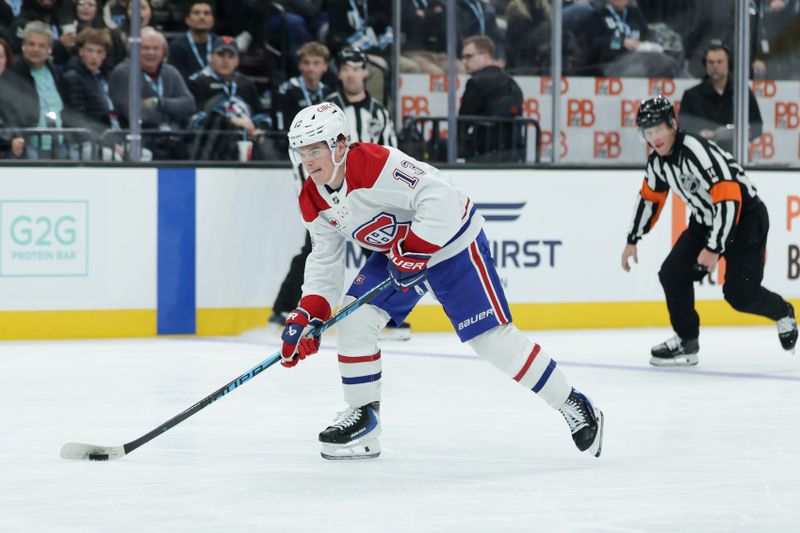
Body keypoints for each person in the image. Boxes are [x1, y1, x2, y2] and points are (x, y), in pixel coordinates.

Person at [280, 102, 604, 460]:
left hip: (450, 244)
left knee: (491, 340)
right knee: (355, 319)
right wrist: (308, 315)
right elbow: (324, 259)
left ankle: (572, 403)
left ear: (340, 145)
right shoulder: (312, 198)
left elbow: (443, 198)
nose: (308, 161)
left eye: (315, 150)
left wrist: (416, 249)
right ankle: (364, 418)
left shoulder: (375, 164)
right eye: (302, 152)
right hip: (398, 254)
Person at [621, 95, 797, 366]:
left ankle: (783, 312)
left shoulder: (696, 151)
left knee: (739, 295)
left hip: (746, 219)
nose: (653, 137)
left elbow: (730, 198)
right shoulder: (658, 163)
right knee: (672, 274)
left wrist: (714, 247)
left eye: (658, 129)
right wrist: (633, 238)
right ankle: (687, 341)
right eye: (648, 131)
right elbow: (649, 199)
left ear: (672, 124)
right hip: (707, 220)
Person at [266, 41, 334, 330]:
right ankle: (284, 305)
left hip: (328, 174)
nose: (311, 69)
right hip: (305, 173)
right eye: (306, 63)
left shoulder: (330, 96)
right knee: (315, 243)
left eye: (316, 63)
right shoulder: (287, 92)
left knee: (316, 244)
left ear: (325, 66)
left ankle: (285, 305)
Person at [109, 27, 196, 159]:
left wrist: (158, 102)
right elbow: (136, 113)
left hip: (173, 142)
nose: (151, 53)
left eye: (156, 48)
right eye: (145, 48)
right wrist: (173, 114)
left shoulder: (170, 71)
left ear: (163, 52)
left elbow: (189, 105)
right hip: (141, 142)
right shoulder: (123, 72)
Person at [187, 36, 269, 160]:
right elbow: (195, 120)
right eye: (221, 55)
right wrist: (230, 121)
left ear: (237, 60)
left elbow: (262, 115)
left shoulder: (246, 84)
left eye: (230, 56)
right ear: (211, 56)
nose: (225, 60)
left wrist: (257, 128)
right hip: (212, 141)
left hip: (247, 138)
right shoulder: (198, 82)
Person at [0, 21, 70, 159]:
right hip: (30, 146)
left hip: (60, 144)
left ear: (49, 49)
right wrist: (15, 138)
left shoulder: (55, 73)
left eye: (41, 45)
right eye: (31, 44)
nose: (36, 49)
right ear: (23, 46)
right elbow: (10, 113)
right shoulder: (12, 74)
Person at [679, 41, 763, 154]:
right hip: (702, 154)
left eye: (719, 62)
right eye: (711, 62)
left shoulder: (742, 93)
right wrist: (699, 133)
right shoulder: (692, 95)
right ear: (705, 65)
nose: (715, 66)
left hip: (735, 153)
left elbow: (757, 126)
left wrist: (742, 134)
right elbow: (682, 127)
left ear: (729, 63)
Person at [458, 35, 523, 162]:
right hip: (511, 151)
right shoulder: (511, 81)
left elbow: (463, 121)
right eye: (463, 57)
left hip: (482, 151)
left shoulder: (476, 82)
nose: (464, 62)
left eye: (469, 56)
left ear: (486, 56)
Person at [62, 27, 119, 151]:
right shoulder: (74, 77)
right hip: (87, 142)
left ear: (105, 55)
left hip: (110, 136)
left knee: (144, 154)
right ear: (81, 52)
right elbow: (78, 119)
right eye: (90, 50)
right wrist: (109, 143)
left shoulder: (103, 77)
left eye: (99, 52)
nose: (94, 56)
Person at [169, 1, 216, 81]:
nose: (202, 17)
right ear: (187, 20)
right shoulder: (178, 46)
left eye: (206, 13)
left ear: (213, 20)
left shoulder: (219, 43)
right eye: (196, 13)